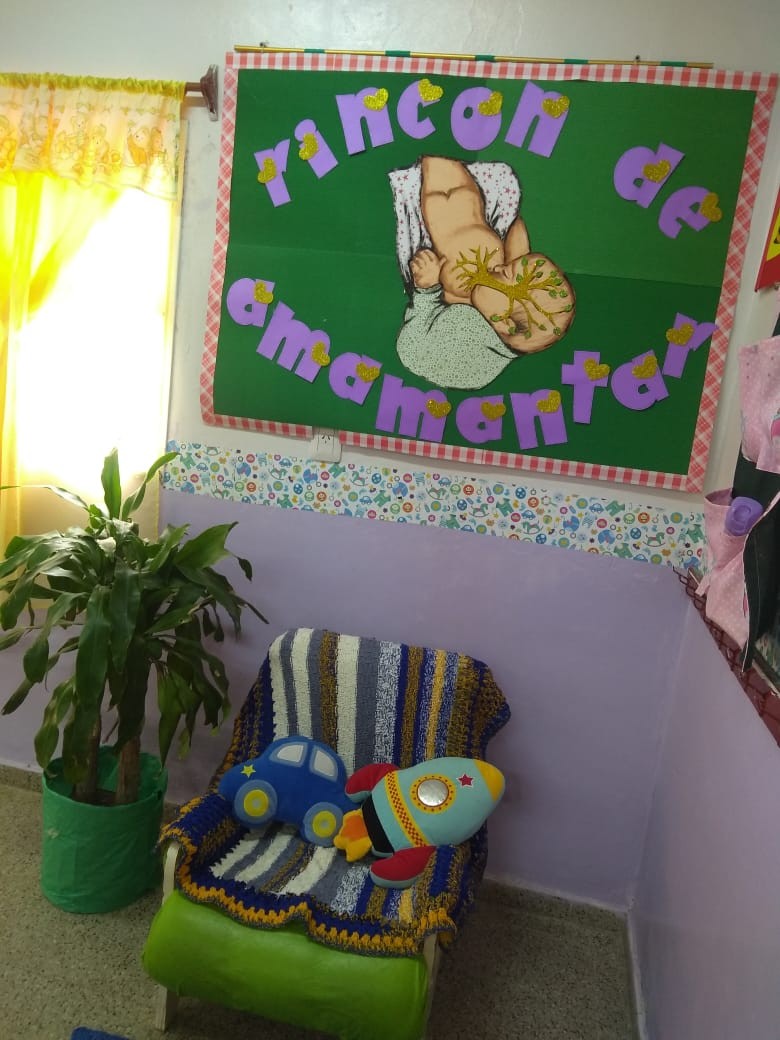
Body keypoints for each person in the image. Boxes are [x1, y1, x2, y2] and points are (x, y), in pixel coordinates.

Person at [395, 156, 575, 390]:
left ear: (505, 323)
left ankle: (437, 163)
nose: (498, 269)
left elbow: (411, 344)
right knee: (487, 256)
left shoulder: (463, 333)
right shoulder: (504, 325)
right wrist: (516, 252)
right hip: (463, 317)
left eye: (505, 273)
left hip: (422, 327)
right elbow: (517, 246)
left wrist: (427, 290)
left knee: (471, 253)